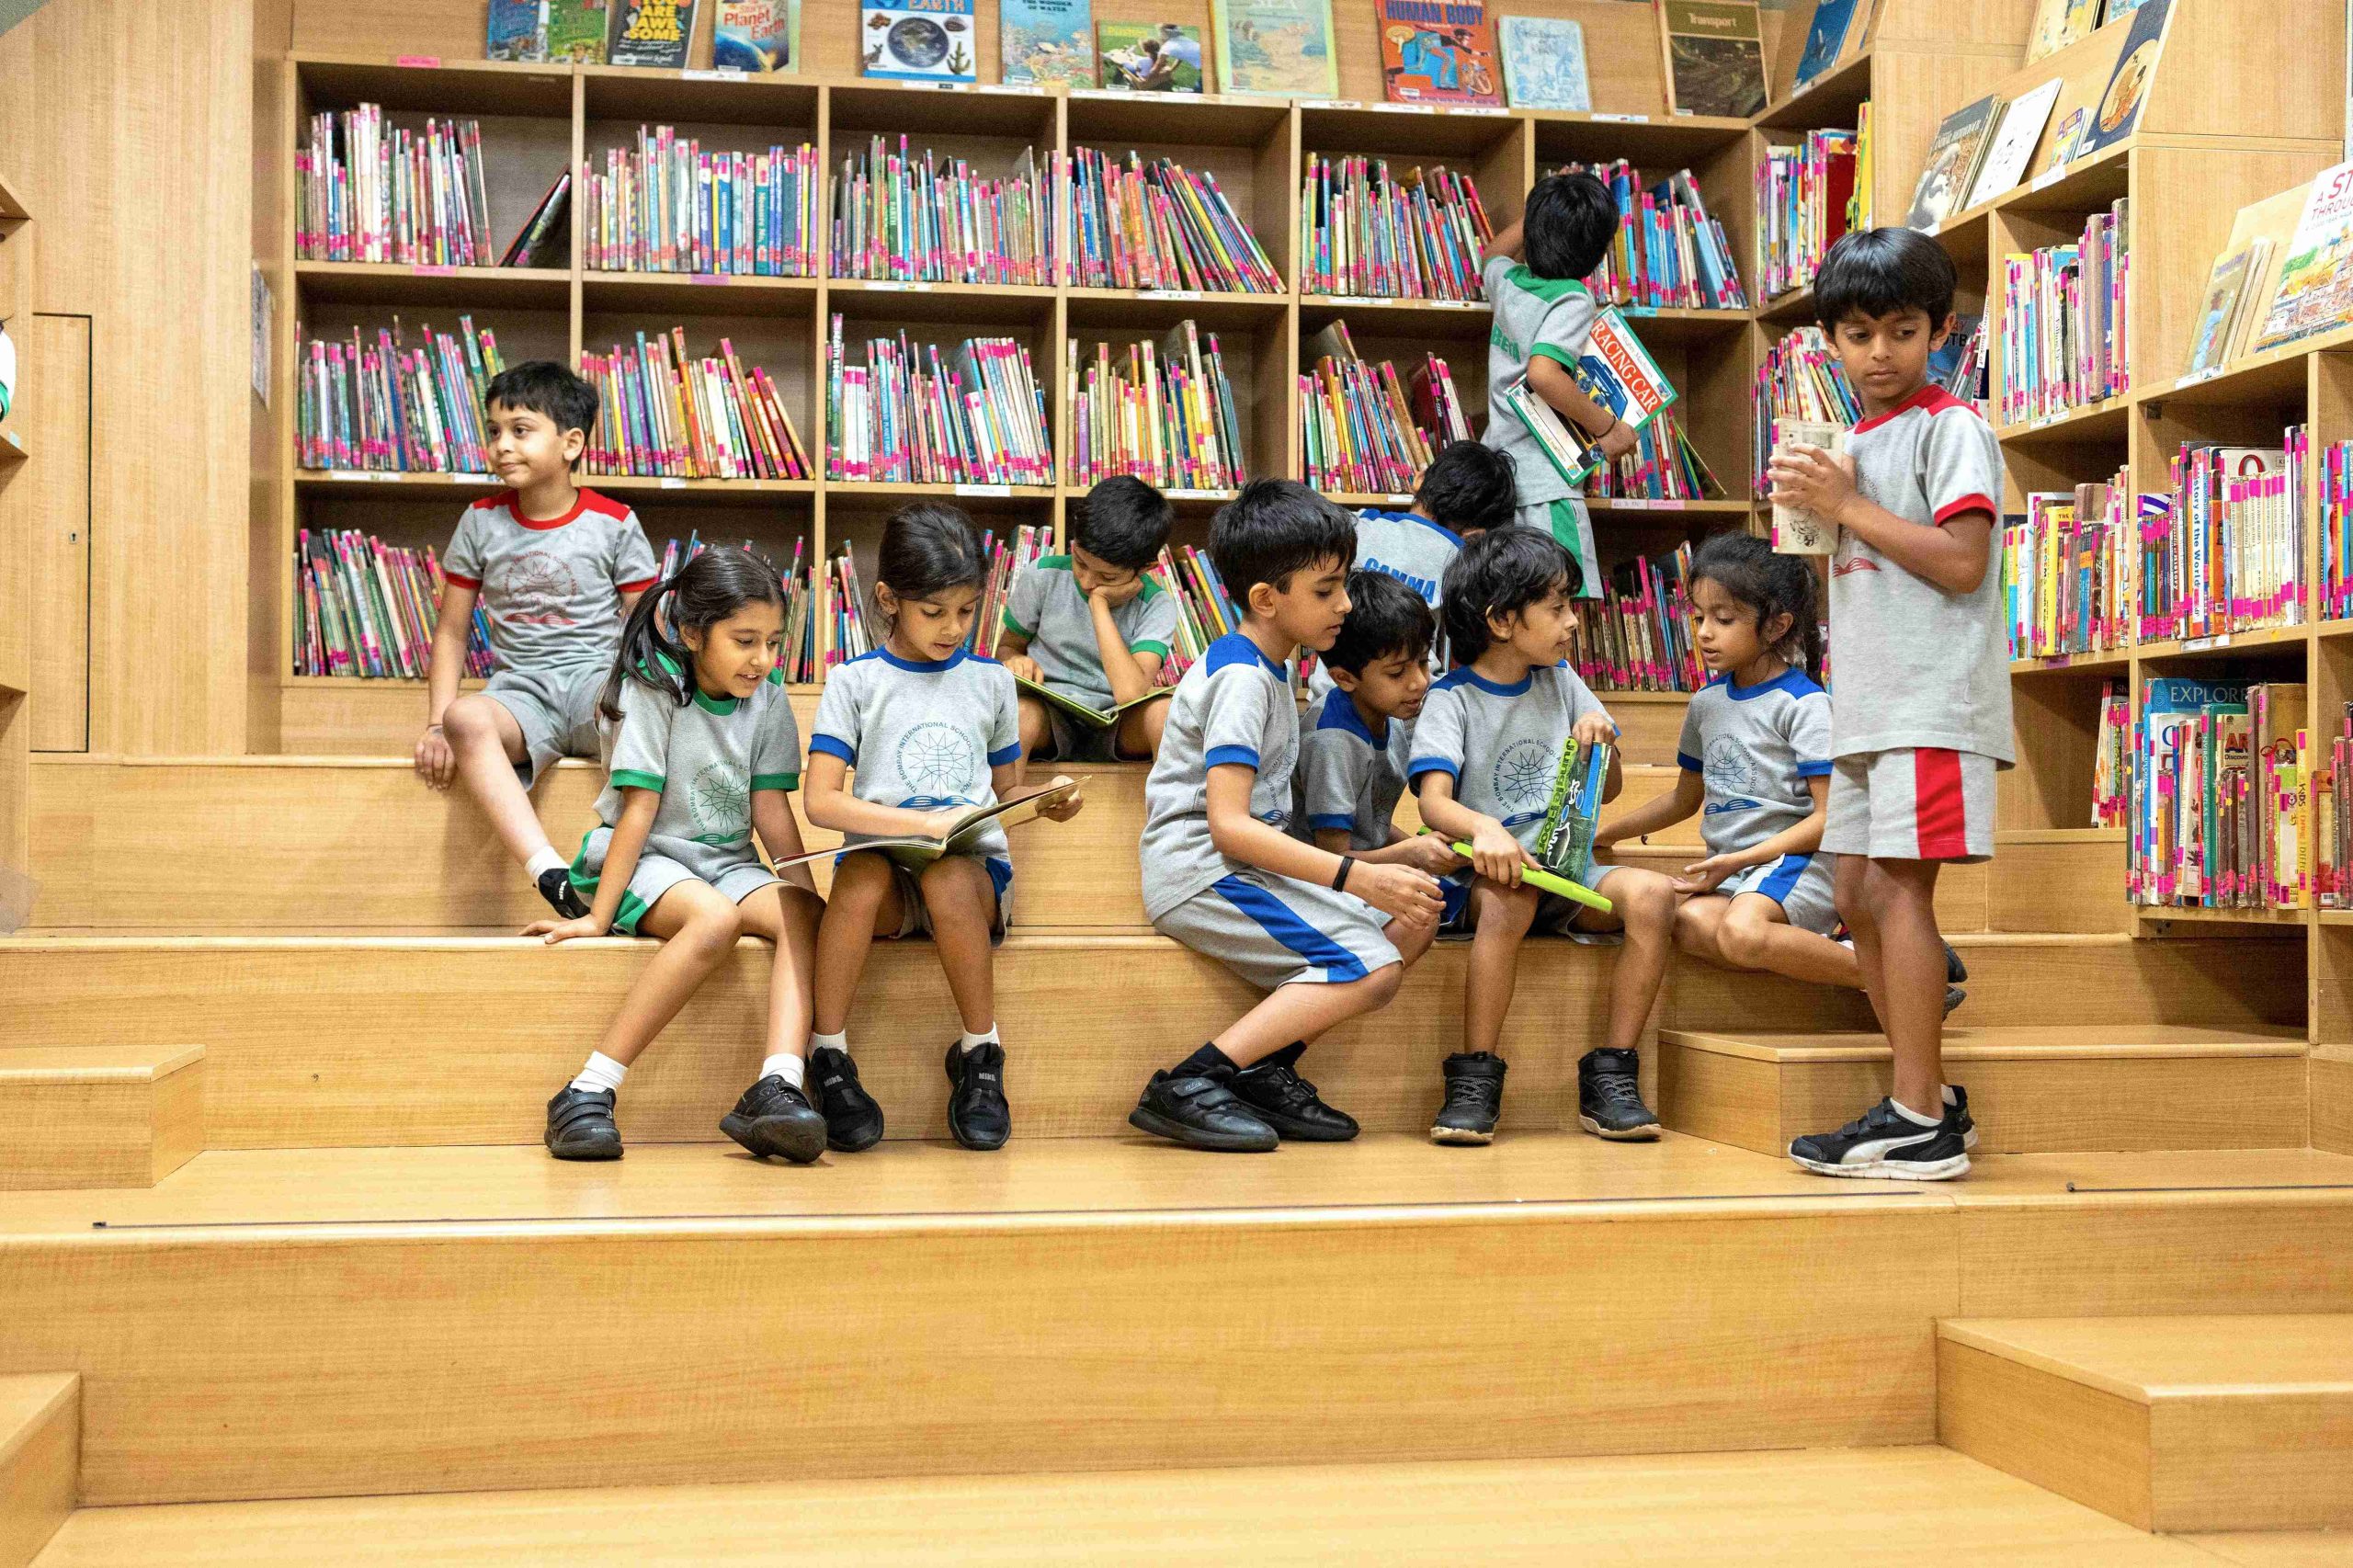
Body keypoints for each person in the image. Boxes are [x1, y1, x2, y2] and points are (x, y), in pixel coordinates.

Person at [1768, 227, 2011, 1181]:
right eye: (1858, 333)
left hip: (1929, 703)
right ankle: (1927, 1095)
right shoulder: (1851, 441)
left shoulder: (1952, 427)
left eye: (1902, 331)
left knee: (1899, 888)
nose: (1879, 353)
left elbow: (1962, 561)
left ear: (1940, 331)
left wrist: (1844, 508)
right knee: (1862, 893)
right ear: (1828, 339)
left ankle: (1917, 1112)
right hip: (1870, 705)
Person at [1128, 481, 1446, 1152]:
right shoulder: (1244, 679)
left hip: (1244, 868)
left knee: (1412, 921)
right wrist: (1355, 877)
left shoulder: (1273, 668)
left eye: (1343, 586)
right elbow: (1230, 825)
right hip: (1205, 873)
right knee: (1372, 965)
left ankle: (1263, 1072)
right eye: (1327, 590)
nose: (1346, 604)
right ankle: (1188, 1082)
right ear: (1268, 600)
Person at [801, 504, 1083, 1154]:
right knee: (864, 872)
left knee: (952, 876)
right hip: (887, 878)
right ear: (887, 600)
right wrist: (919, 822)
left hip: (968, 880)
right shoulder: (855, 681)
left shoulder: (991, 683)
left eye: (967, 610)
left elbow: (1007, 790)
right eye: (934, 612)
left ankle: (982, 1053)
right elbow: (821, 801)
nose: (954, 627)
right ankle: (829, 1057)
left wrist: (1045, 800)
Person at [534, 547, 827, 1165]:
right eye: (745, 640)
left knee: (802, 915)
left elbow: (771, 812)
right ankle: (587, 1090)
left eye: (774, 642)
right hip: (643, 859)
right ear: (693, 633)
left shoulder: (770, 700)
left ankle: (777, 1086)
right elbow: (637, 811)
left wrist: (807, 893)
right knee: (714, 919)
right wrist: (596, 915)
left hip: (726, 862)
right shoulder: (655, 691)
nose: (763, 659)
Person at [1594, 533, 1967, 1011]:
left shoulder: (1806, 705)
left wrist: (1741, 858)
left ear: (1777, 626)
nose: (1705, 632)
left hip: (1799, 863)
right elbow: (1683, 799)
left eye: (1724, 619)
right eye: (1700, 617)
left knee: (1742, 932)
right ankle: (1881, 962)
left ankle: (1906, 973)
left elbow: (1832, 817)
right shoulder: (1706, 704)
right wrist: (1609, 831)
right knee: (1679, 922)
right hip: (1739, 872)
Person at [1409, 528, 1678, 1145]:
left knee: (1656, 897)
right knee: (1511, 898)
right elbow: (1433, 802)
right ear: (1503, 620)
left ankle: (1612, 1073)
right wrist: (1486, 833)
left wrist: (1601, 750)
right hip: (1494, 874)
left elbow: (1606, 796)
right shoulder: (1452, 698)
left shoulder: (1562, 682)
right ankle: (1475, 1076)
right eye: (1556, 607)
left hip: (1569, 866)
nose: (1572, 622)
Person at [414, 361, 660, 919]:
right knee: (464, 719)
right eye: (494, 430)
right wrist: (436, 723)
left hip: (598, 685)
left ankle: (628, 868)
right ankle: (547, 868)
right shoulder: (480, 522)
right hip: (521, 696)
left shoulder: (615, 521)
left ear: (571, 443)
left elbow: (645, 627)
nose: (502, 445)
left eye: (520, 430)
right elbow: (451, 631)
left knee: (647, 705)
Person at [1480, 171, 1636, 599]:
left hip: (1500, 479)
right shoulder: (1571, 298)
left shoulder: (1508, 283)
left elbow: (1492, 252)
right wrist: (1607, 428)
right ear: (1598, 253)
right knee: (1559, 608)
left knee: (1514, 611)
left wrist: (1538, 210)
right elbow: (1544, 374)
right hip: (1548, 486)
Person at [1303, 439, 1516, 703]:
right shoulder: (1462, 561)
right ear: (1476, 536)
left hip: (1329, 693)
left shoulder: (1356, 526)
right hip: (1411, 703)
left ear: (1419, 480)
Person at [1294, 570, 1465, 890]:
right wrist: (1411, 854)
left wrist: (1421, 848)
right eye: (1397, 672)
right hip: (1321, 885)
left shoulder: (1390, 713)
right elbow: (1332, 859)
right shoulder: (1333, 742)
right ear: (1344, 678)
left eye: (1423, 663)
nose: (1419, 682)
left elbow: (1370, 827)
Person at [999, 475, 1179, 762]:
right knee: (1020, 714)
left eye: (1107, 577)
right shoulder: (1042, 576)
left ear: (1145, 569)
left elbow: (1130, 693)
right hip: (1049, 714)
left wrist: (1099, 605)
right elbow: (1007, 648)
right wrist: (1014, 660)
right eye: (1080, 562)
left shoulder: (1156, 604)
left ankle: (1170, 807)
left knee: (1165, 714)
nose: (1086, 582)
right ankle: (1006, 803)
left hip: (1116, 723)